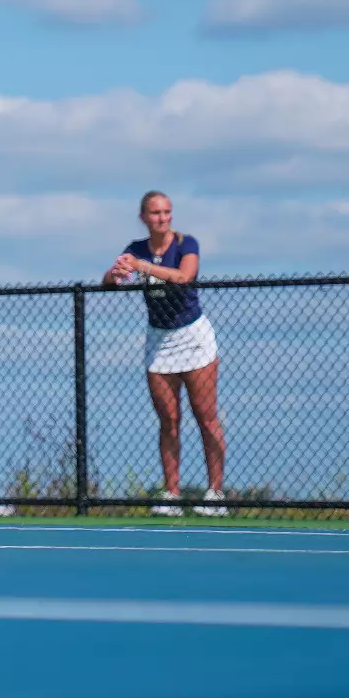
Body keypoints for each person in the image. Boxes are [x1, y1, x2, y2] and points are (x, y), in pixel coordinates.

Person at [105, 191, 227, 518]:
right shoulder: (135, 249)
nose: (163, 218)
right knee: (169, 421)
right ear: (144, 217)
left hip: (192, 336)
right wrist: (117, 273)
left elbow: (184, 277)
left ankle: (215, 493)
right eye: (156, 213)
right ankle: (171, 493)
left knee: (206, 415)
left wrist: (143, 266)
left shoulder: (186, 244)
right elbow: (110, 282)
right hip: (159, 340)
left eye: (167, 212)